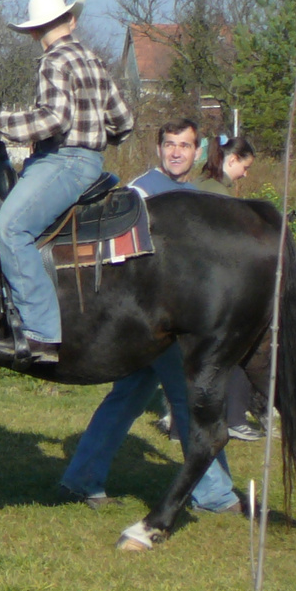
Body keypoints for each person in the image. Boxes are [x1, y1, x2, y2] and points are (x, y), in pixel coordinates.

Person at [58, 118, 243, 513]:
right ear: (159, 148)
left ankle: (81, 477)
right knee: (191, 398)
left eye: (185, 145)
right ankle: (215, 494)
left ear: (197, 152)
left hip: (175, 322)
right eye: (170, 144)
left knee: (126, 397)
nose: (176, 152)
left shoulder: (195, 196)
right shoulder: (138, 194)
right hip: (148, 321)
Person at [0, 0, 134, 365]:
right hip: (92, 162)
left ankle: (41, 335)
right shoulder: (94, 60)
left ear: (33, 32)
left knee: (9, 229)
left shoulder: (53, 61)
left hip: (61, 161)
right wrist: (98, 138)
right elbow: (124, 122)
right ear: (72, 21)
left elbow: (52, 120)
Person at [200, 135, 263, 438]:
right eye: (245, 167)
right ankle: (235, 419)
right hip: (210, 289)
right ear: (233, 160)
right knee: (237, 352)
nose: (246, 174)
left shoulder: (209, 185)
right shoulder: (217, 193)